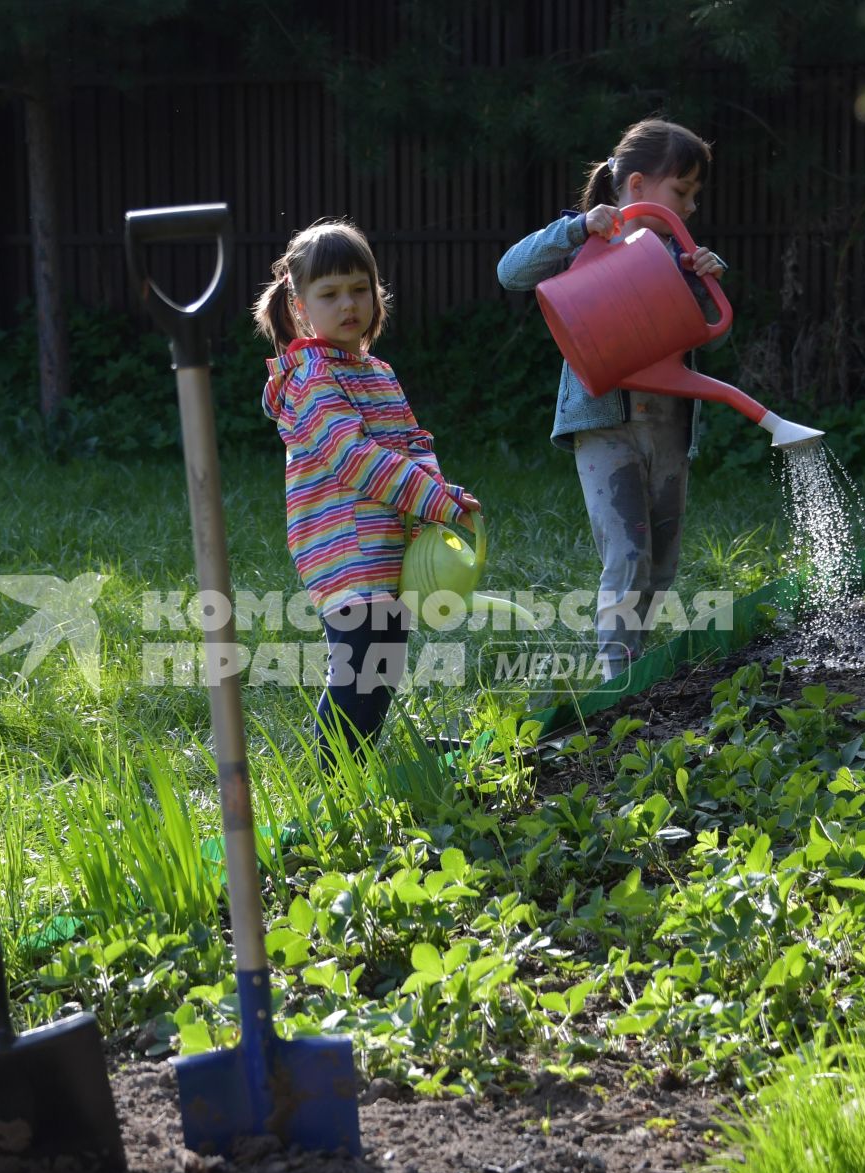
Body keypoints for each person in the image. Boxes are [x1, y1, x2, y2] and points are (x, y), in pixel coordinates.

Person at [497, 118, 728, 681]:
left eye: (696, 196)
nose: (691, 206)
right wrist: (575, 229)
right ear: (639, 185)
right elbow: (510, 273)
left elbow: (708, 332)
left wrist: (704, 281)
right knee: (627, 553)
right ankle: (615, 677)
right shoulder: (588, 239)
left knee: (662, 562)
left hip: (668, 425)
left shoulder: (679, 256)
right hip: (606, 425)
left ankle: (635, 664)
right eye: (683, 192)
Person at [256, 217, 481, 769]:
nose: (348, 304)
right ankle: (329, 781)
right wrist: (433, 500)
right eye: (329, 293)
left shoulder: (377, 371)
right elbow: (354, 459)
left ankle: (354, 769)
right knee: (360, 668)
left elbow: (410, 441)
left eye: (360, 289)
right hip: (342, 545)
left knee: (382, 665)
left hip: (387, 542)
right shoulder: (310, 378)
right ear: (299, 305)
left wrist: (436, 489)